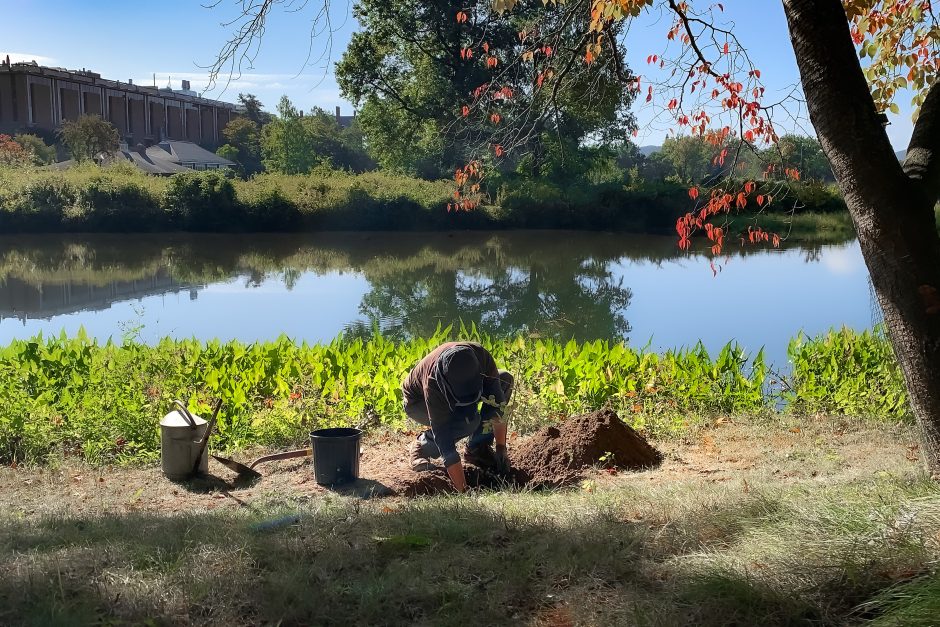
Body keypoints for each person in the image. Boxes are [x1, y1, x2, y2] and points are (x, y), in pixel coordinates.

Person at [401, 341, 513, 492]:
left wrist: (501, 448)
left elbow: (498, 406)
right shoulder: (433, 384)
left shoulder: (481, 356)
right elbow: (445, 441)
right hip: (417, 402)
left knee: (504, 380)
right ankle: (422, 446)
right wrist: (463, 490)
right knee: (467, 423)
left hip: (457, 391)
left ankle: (478, 448)